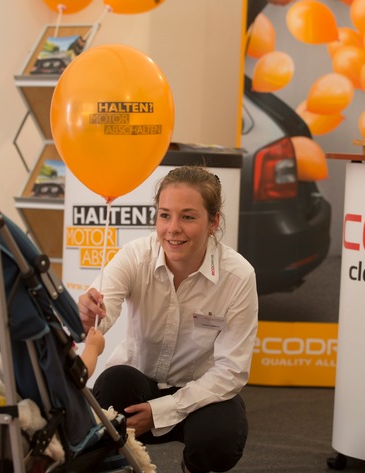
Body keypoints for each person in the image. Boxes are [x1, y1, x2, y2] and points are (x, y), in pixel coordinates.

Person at [77, 166, 259, 473]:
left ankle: (192, 466)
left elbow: (231, 370)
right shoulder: (135, 256)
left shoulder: (238, 276)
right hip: (136, 389)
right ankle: (121, 464)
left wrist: (160, 411)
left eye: (188, 217)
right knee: (111, 385)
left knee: (220, 437)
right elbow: (101, 313)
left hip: (201, 396)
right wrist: (87, 315)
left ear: (213, 222)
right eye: (165, 215)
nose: (173, 228)